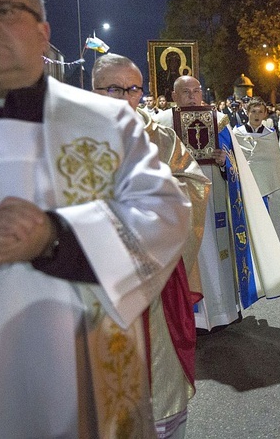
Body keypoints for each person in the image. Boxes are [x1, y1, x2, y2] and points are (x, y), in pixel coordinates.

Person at [0, 0, 191, 438]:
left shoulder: (107, 122)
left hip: (87, 372)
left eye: (3, 8)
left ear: (42, 33)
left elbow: (165, 211)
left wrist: (56, 237)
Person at [92, 54, 211, 437]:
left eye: (134, 88)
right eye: (114, 88)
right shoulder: (73, 137)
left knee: (159, 373)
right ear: (93, 90)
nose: (126, 97)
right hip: (100, 282)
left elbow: (195, 183)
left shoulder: (160, 136)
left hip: (155, 276)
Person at [171, 77, 280, 333]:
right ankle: (193, 319)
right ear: (174, 95)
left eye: (196, 91)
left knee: (219, 256)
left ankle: (223, 311)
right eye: (185, 92)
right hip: (181, 205)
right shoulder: (163, 126)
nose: (192, 97)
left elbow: (237, 168)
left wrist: (225, 161)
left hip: (216, 204)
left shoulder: (220, 123)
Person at [233, 97, 280, 209]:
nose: (257, 115)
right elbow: (233, 157)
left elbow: (275, 160)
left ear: (265, 114)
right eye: (253, 112)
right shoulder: (237, 132)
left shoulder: (269, 134)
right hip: (243, 181)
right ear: (247, 112)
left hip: (262, 181)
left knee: (262, 214)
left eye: (260, 112)